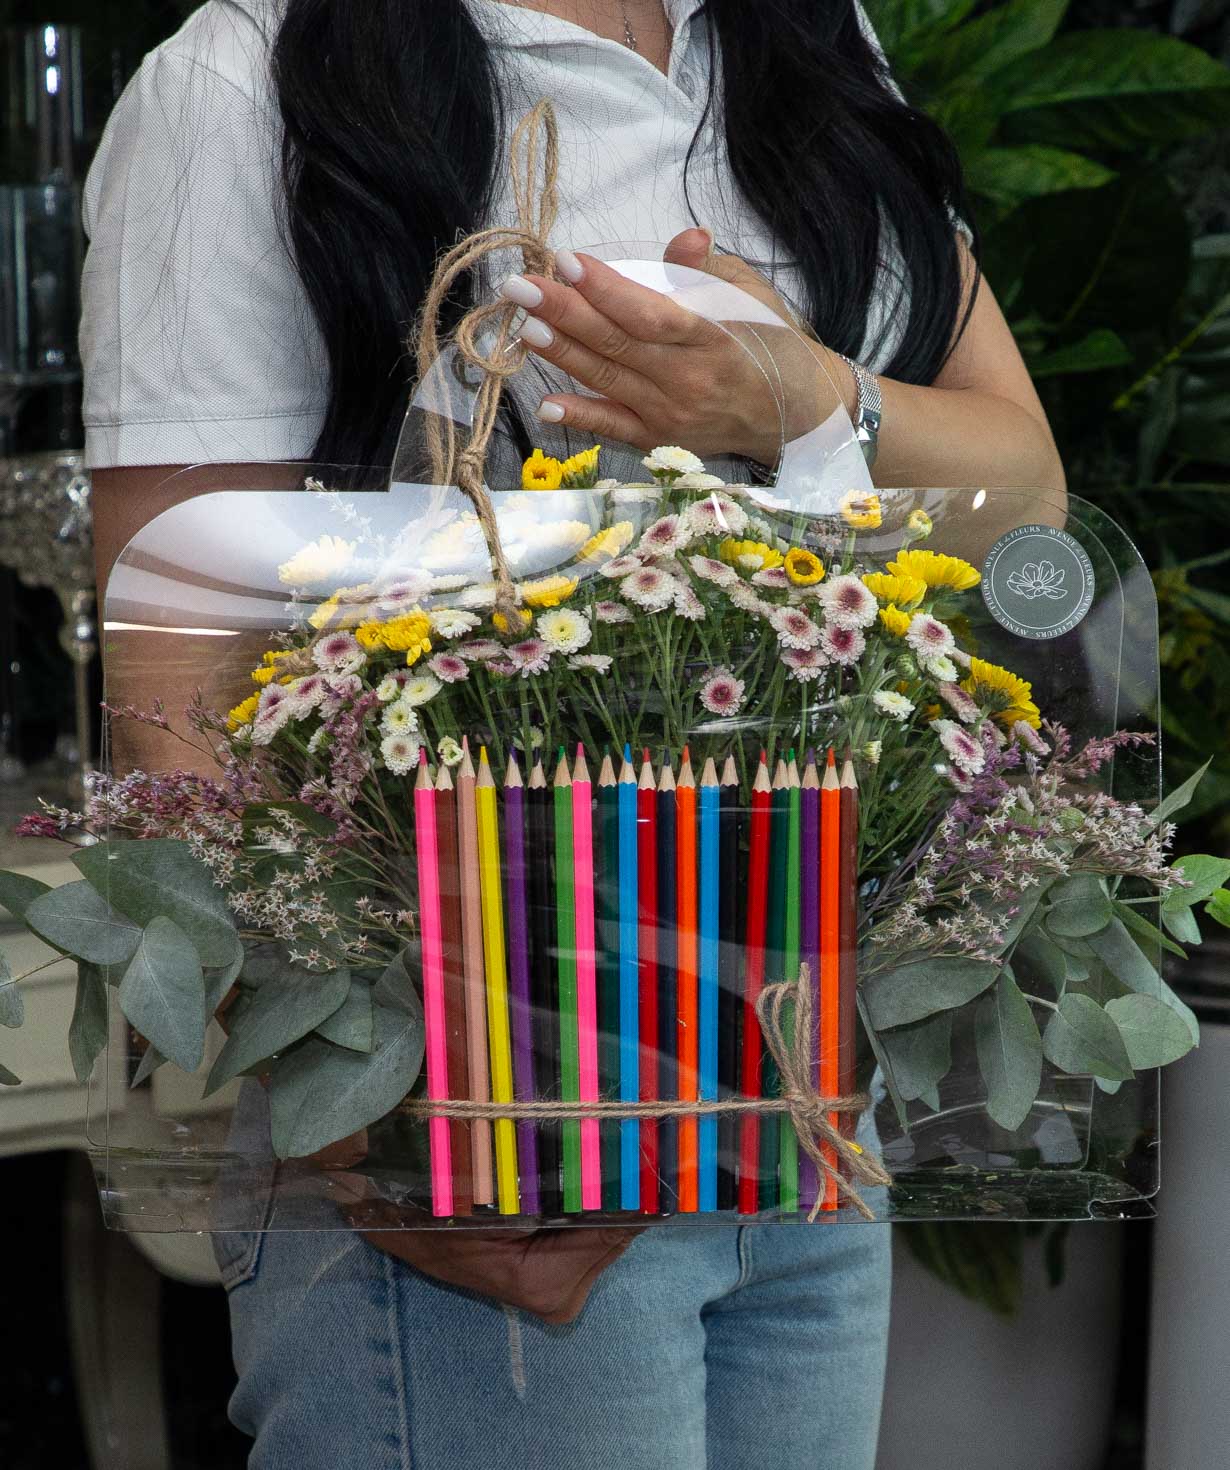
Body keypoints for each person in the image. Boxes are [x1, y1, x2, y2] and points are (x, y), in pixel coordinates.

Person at [80, 3, 1065, 1467]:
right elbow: (180, 661)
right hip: (490, 1141)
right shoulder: (255, 72)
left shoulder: (800, 38)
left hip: (789, 1102)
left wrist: (800, 395)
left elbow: (1023, 500)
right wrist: (379, 1130)